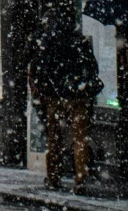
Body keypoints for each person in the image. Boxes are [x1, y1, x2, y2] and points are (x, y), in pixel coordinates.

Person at [28, 21, 103, 194]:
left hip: (56, 97)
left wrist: (45, 90)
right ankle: (80, 179)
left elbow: (40, 69)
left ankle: (54, 176)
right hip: (78, 96)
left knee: (55, 138)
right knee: (80, 139)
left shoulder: (48, 41)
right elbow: (92, 67)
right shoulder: (80, 41)